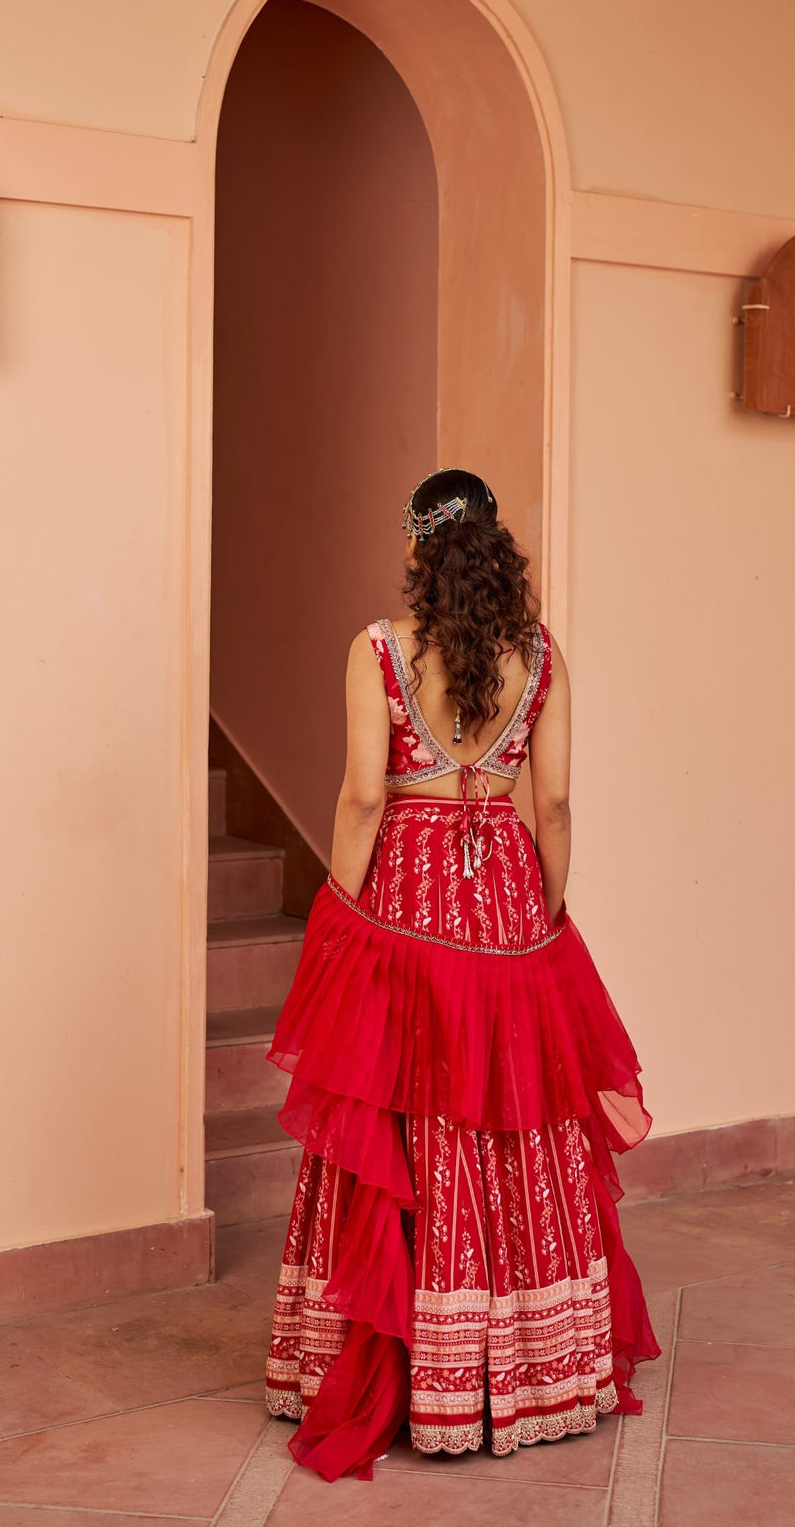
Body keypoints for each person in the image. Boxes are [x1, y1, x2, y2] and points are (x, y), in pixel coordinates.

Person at [262, 467, 660, 1482]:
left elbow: (362, 797)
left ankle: (408, 1368)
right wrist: (551, 907)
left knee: (403, 1116)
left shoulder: (382, 652)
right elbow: (555, 804)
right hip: (509, 905)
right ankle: (530, 1372)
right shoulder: (541, 657)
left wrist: (343, 917)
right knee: (515, 1120)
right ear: (495, 549)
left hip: (405, 897)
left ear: (416, 550)